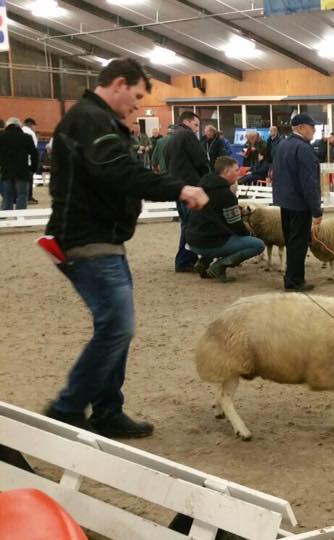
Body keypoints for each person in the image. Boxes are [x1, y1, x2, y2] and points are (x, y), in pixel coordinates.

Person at [42, 58, 208, 438]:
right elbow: (117, 172)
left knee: (115, 326)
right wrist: (179, 188)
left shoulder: (97, 121)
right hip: (87, 239)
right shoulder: (91, 120)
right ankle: (66, 409)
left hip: (104, 239)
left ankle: (106, 410)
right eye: (134, 98)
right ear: (117, 84)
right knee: (117, 327)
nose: (136, 107)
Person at [186, 156, 265, 282]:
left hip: (191, 241)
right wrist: (250, 234)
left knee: (218, 231)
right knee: (257, 245)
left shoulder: (202, 186)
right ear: (226, 172)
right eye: (236, 170)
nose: (239, 173)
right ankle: (219, 266)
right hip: (209, 243)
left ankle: (203, 262)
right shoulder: (226, 195)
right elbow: (235, 225)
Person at [272, 113, 322, 292]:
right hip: (300, 204)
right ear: (301, 127)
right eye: (311, 126)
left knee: (291, 240)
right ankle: (295, 280)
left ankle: (291, 277)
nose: (314, 130)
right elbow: (309, 182)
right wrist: (316, 209)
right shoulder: (304, 148)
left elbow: (276, 174)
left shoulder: (282, 145)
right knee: (298, 243)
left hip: (285, 202)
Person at [166, 111, 210, 273]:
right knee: (193, 225)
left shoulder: (172, 137)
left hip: (177, 187)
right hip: (191, 187)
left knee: (186, 225)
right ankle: (186, 261)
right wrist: (208, 178)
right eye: (196, 125)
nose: (197, 129)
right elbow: (200, 160)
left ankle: (185, 260)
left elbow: (167, 161)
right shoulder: (188, 136)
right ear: (187, 121)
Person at [0, 118, 39, 210]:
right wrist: (32, 168)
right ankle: (20, 218)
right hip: (22, 171)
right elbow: (34, 154)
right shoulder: (26, 137)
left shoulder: (1, 137)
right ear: (19, 126)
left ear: (7, 126)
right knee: (22, 194)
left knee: (7, 195)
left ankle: (5, 217)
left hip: (6, 170)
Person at [22, 118, 40, 204]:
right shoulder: (31, 133)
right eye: (34, 126)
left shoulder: (21, 130)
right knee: (29, 179)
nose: (35, 128)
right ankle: (28, 197)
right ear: (30, 124)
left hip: (19, 161)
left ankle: (22, 197)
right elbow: (34, 149)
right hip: (28, 161)